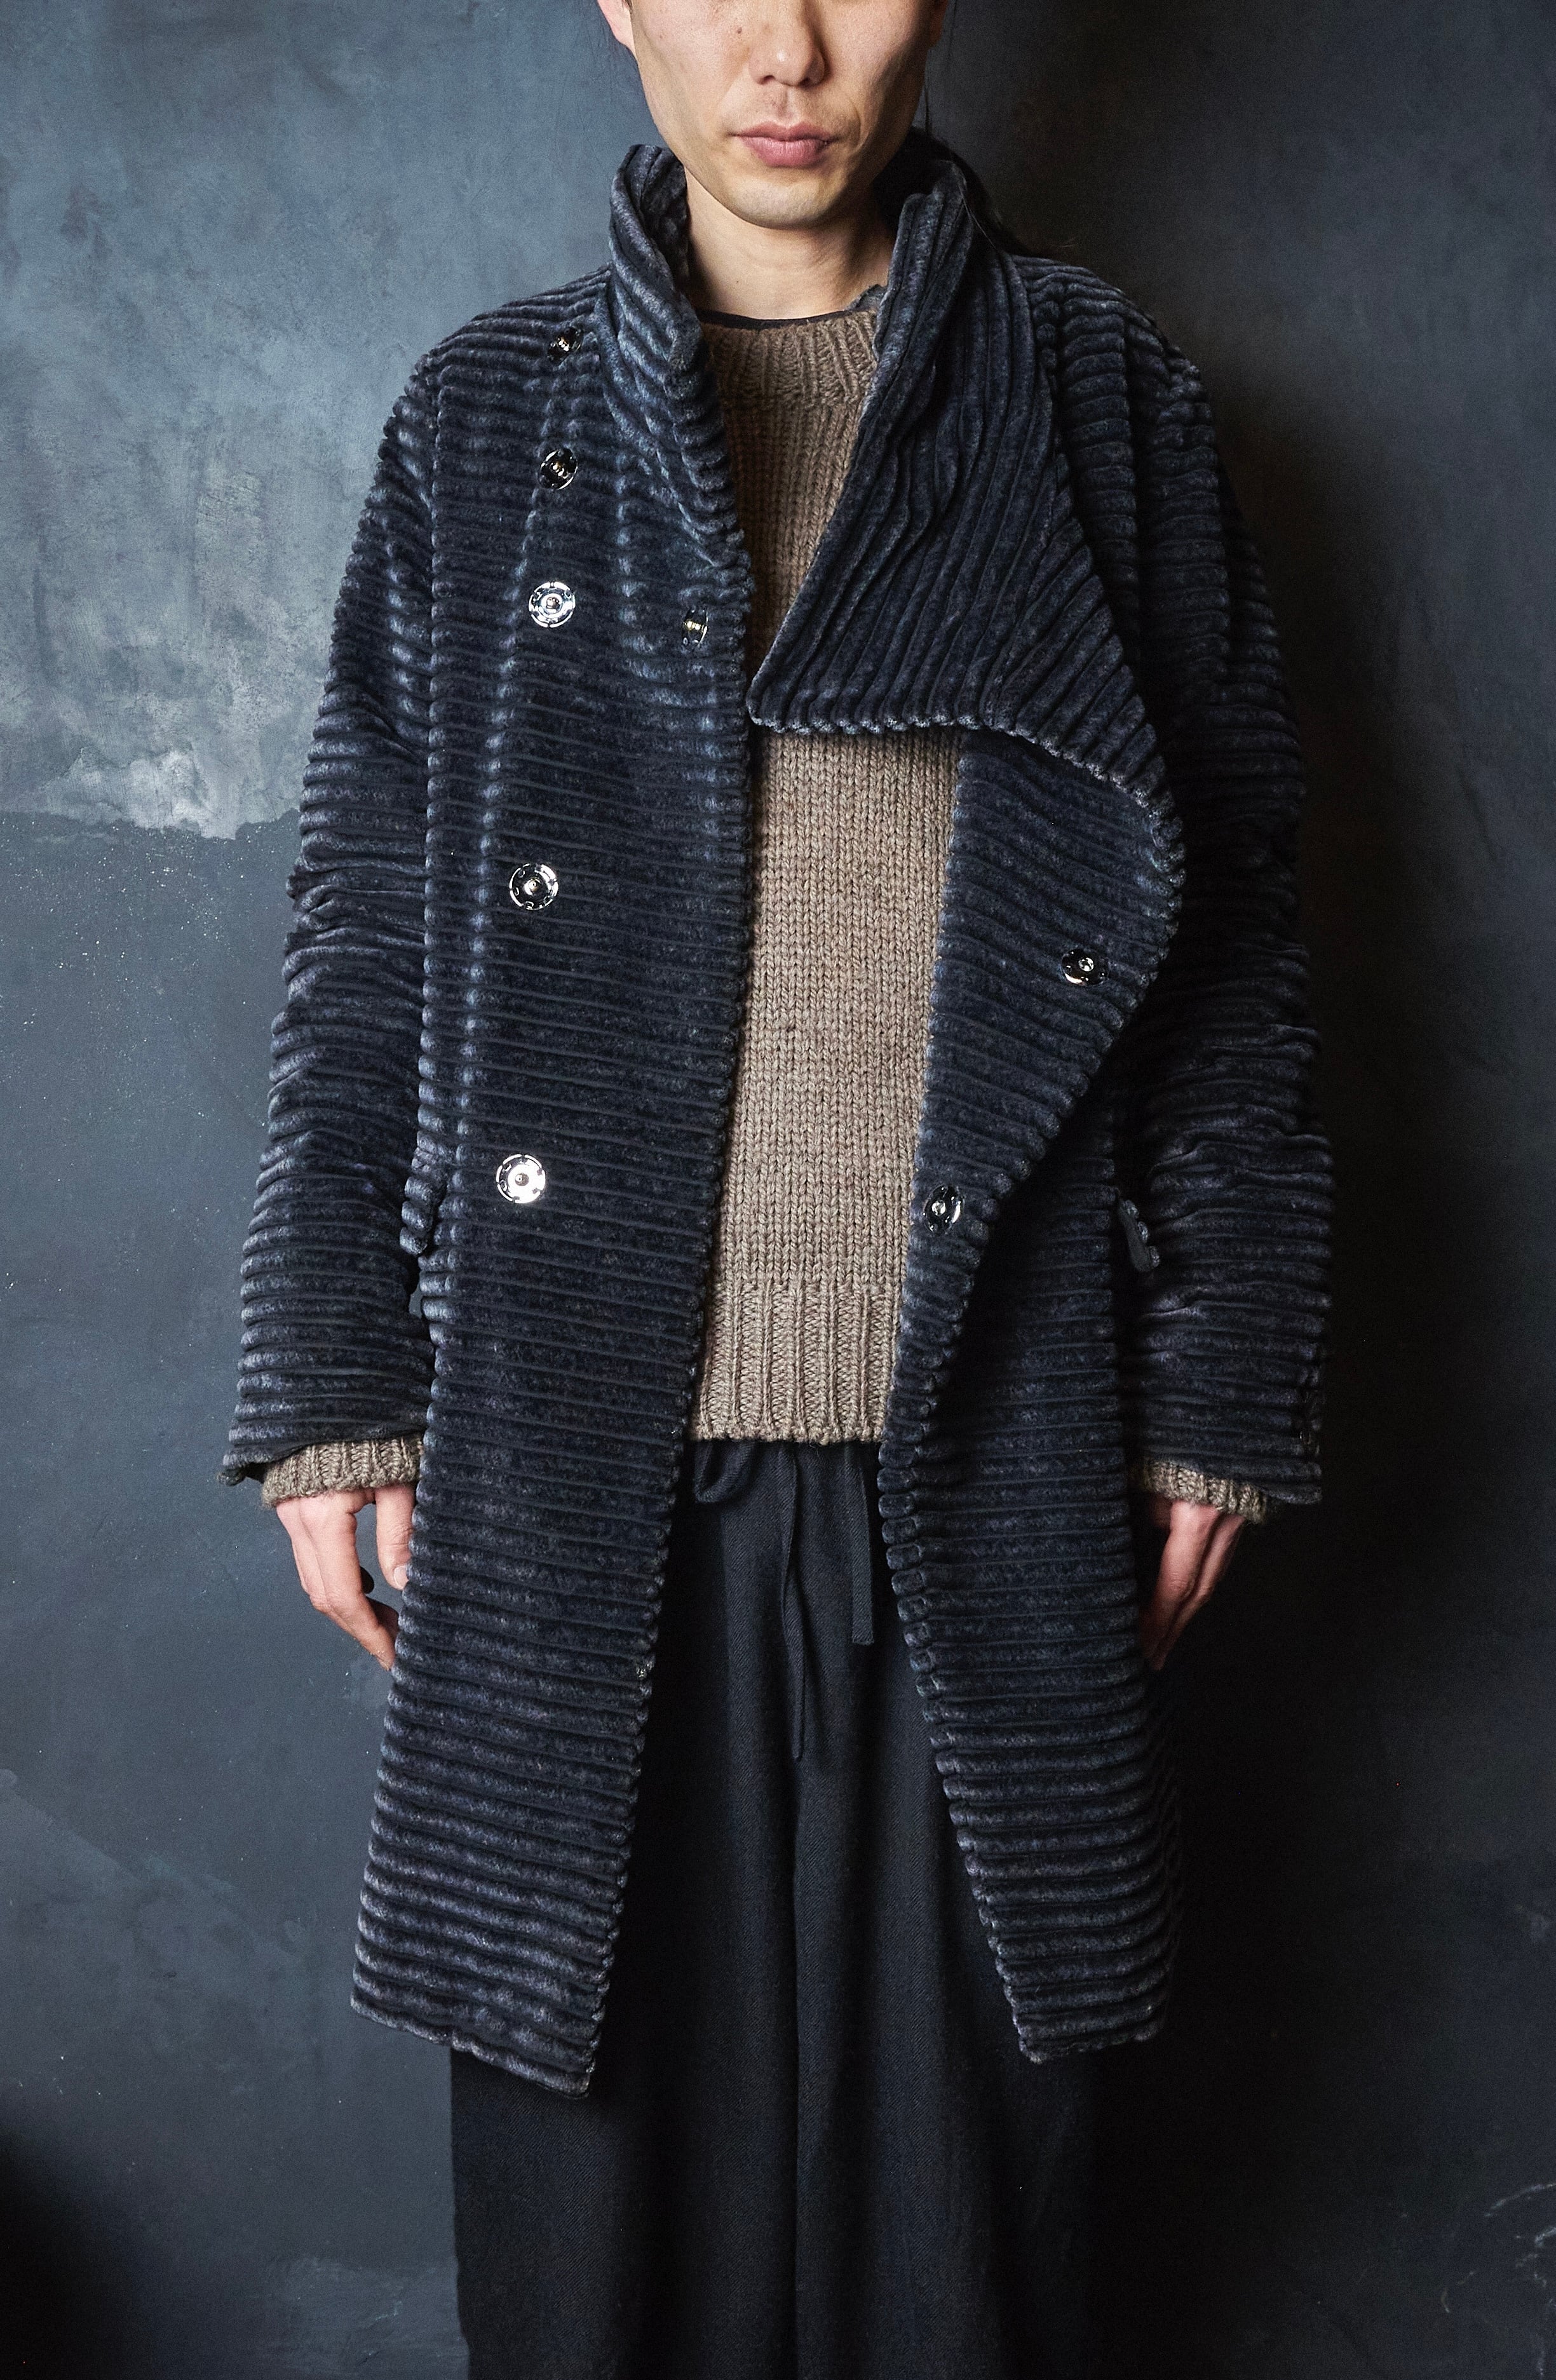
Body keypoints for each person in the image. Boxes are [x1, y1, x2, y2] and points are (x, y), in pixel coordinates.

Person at [219, 1, 1332, 2371]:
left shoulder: (1094, 397)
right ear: (618, 3)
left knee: (970, 2285)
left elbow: (1234, 926)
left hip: (992, 1458)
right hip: (569, 1467)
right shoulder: (489, 417)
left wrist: (1217, 1388)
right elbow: (369, 924)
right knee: (595, 2281)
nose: (788, 47)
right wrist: (331, 1384)